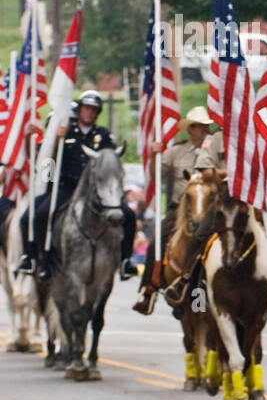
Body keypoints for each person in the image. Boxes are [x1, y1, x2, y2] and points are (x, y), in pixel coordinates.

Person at [16, 91, 136, 282]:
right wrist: (56, 140)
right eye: (86, 108)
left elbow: (110, 162)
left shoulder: (104, 135)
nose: (89, 112)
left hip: (95, 192)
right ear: (80, 109)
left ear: (97, 113)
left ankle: (125, 261)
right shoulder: (65, 133)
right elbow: (47, 162)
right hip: (66, 188)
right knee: (35, 215)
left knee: (129, 216)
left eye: (93, 110)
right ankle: (37, 259)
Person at [133, 107, 223, 314]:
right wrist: (155, 157)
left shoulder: (214, 149)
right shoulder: (175, 151)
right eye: (201, 127)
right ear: (191, 129)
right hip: (180, 210)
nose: (205, 131)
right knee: (157, 242)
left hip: (209, 209)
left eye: (207, 127)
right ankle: (149, 290)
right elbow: (158, 177)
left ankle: (211, 297)